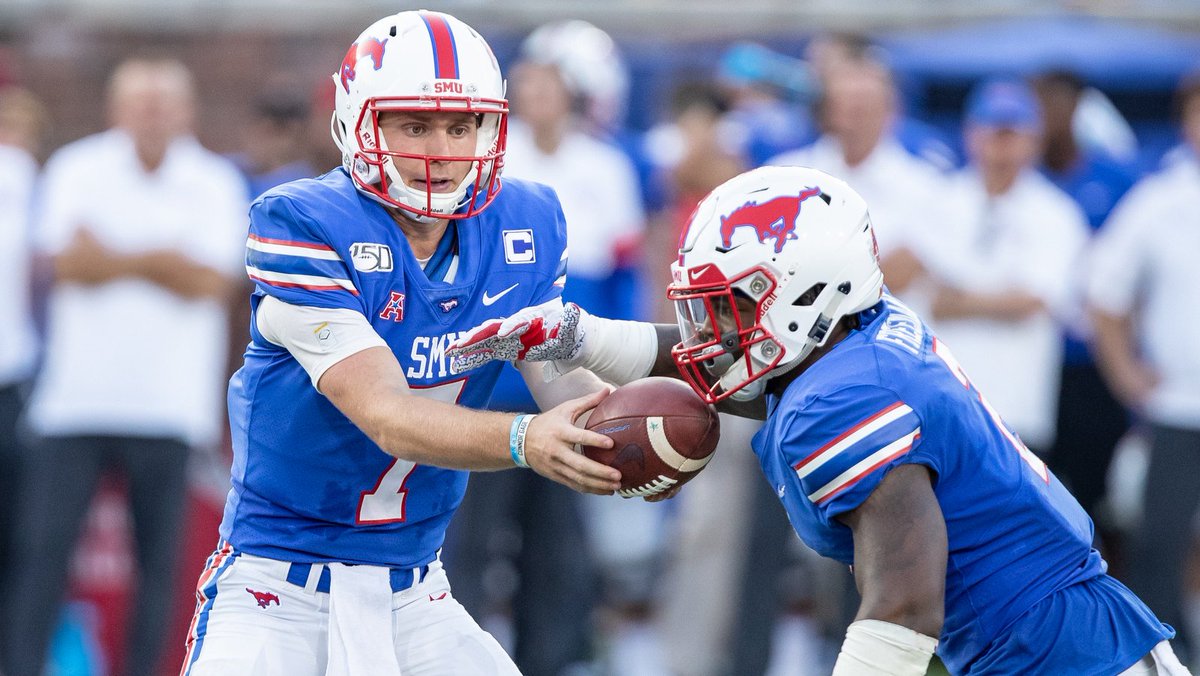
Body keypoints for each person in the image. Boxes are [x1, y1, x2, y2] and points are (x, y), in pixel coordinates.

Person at [448, 164, 1189, 675]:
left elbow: (905, 601)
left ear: (806, 291)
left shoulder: (844, 397)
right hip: (1054, 639)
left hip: (1059, 654)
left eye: (729, 307)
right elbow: (729, 369)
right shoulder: (857, 336)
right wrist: (577, 336)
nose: (713, 330)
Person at [178, 11, 622, 676]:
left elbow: (560, 378)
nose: (441, 150)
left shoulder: (522, 225)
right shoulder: (304, 221)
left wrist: (640, 428)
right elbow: (386, 414)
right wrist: (527, 439)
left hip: (417, 594)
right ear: (361, 124)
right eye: (415, 124)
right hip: (279, 593)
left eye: (459, 125)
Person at [0, 59, 249, 676]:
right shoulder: (76, 167)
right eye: (141, 101)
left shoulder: (214, 180)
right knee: (41, 559)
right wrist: (164, 258)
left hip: (169, 406)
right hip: (72, 404)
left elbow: (212, 282)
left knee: (159, 571)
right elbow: (64, 265)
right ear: (116, 108)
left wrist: (110, 252)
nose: (153, 114)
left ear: (187, 110)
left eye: (164, 102)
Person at [443, 19, 652, 676]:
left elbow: (621, 285)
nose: (535, 92)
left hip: (571, 390)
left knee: (558, 549)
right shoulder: (487, 163)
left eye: (549, 80)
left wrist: (617, 380)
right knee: (467, 546)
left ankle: (553, 662)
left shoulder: (608, 167)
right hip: (487, 392)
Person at [1087, 70, 1200, 666]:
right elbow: (1103, 292)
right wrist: (1127, 372)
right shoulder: (1160, 200)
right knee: (1160, 546)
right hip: (1180, 405)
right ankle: (1164, 664)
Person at [920, 78, 1089, 458]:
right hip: (942, 403)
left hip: (1017, 407)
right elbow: (923, 291)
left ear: (1034, 139)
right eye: (994, 132)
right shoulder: (938, 201)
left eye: (1012, 134)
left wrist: (958, 298)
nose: (1002, 145)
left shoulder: (1056, 213)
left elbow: (1033, 300)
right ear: (971, 135)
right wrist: (999, 297)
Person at [1032, 69, 1139, 539]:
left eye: (1056, 103)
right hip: (1028, 360)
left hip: (1091, 361)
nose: (1048, 116)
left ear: (1077, 107)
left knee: (1097, 491)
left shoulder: (1115, 178)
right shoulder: (1017, 180)